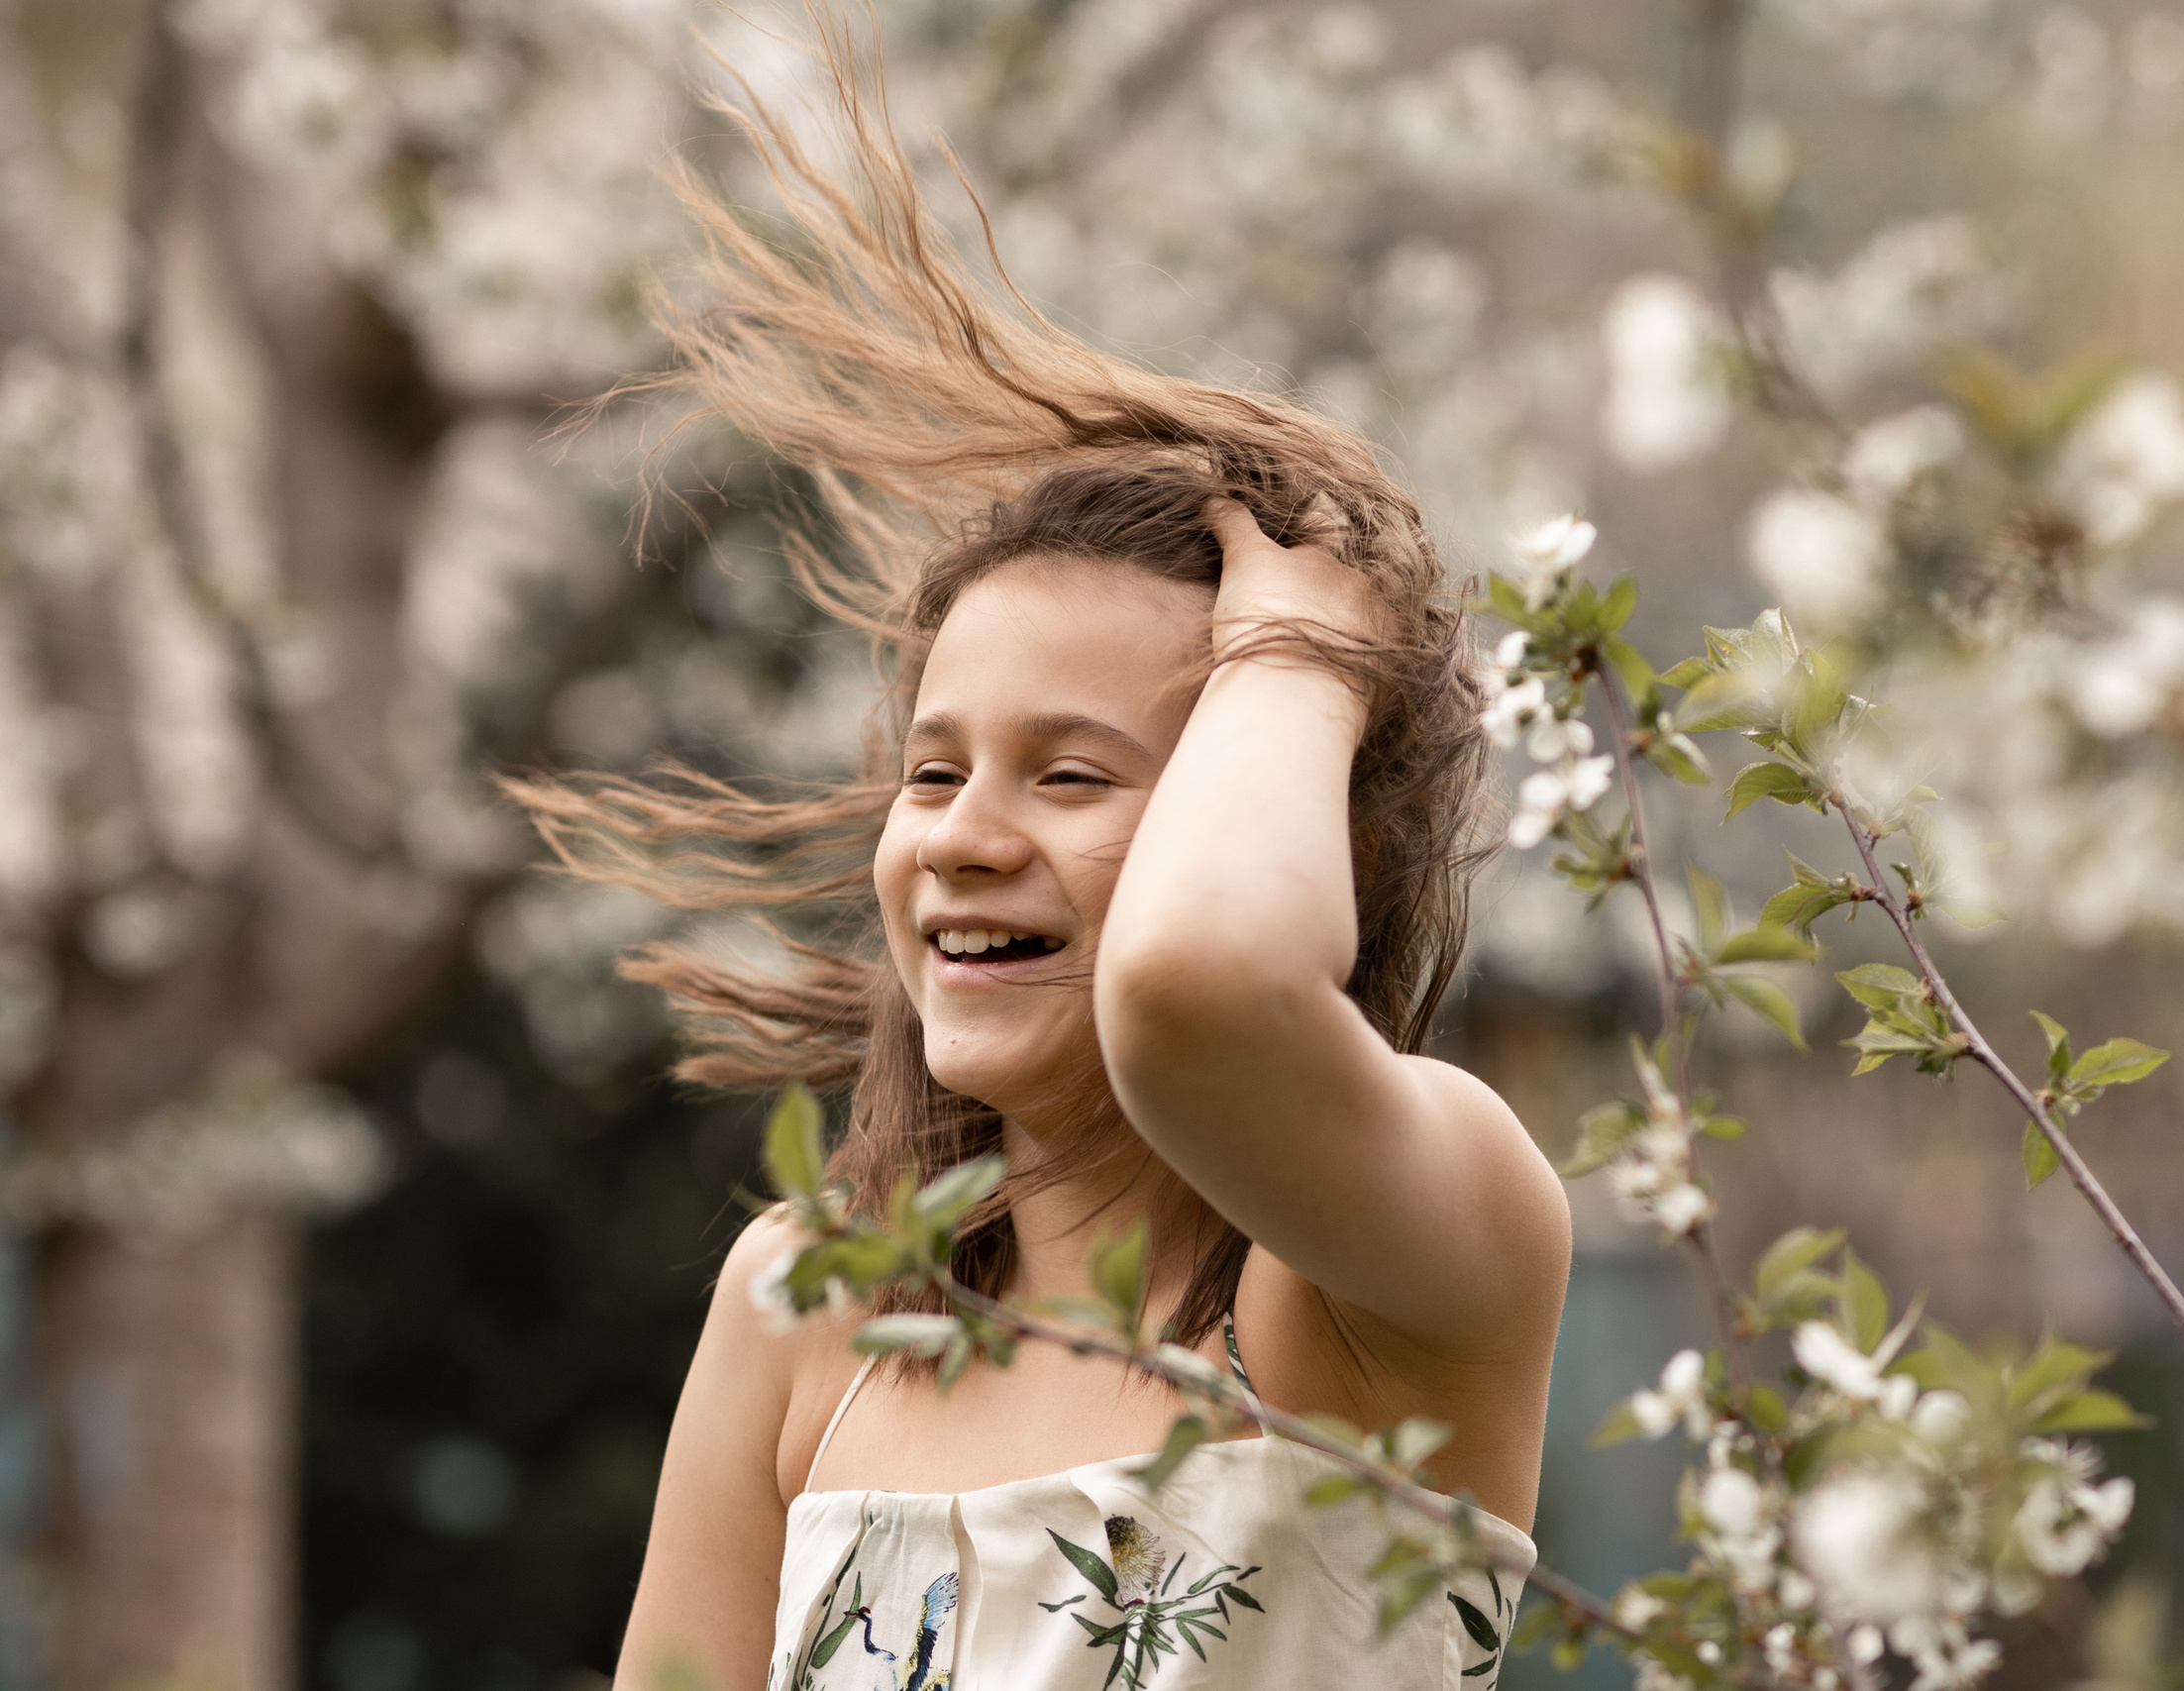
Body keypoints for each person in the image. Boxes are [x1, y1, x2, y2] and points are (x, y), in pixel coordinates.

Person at [515, 20, 1570, 1690]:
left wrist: (1306, 649)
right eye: (934, 772)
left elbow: (1202, 987)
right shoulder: (810, 1306)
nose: (961, 839)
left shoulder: (1381, 1274)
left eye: (1072, 775)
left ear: (1307, 826)